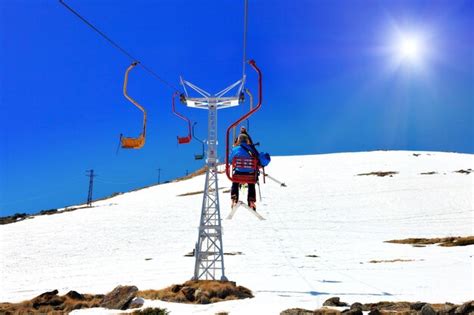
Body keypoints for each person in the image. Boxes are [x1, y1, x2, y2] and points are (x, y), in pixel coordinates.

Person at [230, 133, 257, 210]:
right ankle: (251, 201)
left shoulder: (235, 149)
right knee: (251, 184)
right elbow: (257, 158)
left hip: (239, 173)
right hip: (250, 173)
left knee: (235, 183)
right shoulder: (252, 149)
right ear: (247, 141)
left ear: (238, 140)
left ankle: (234, 199)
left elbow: (230, 160)